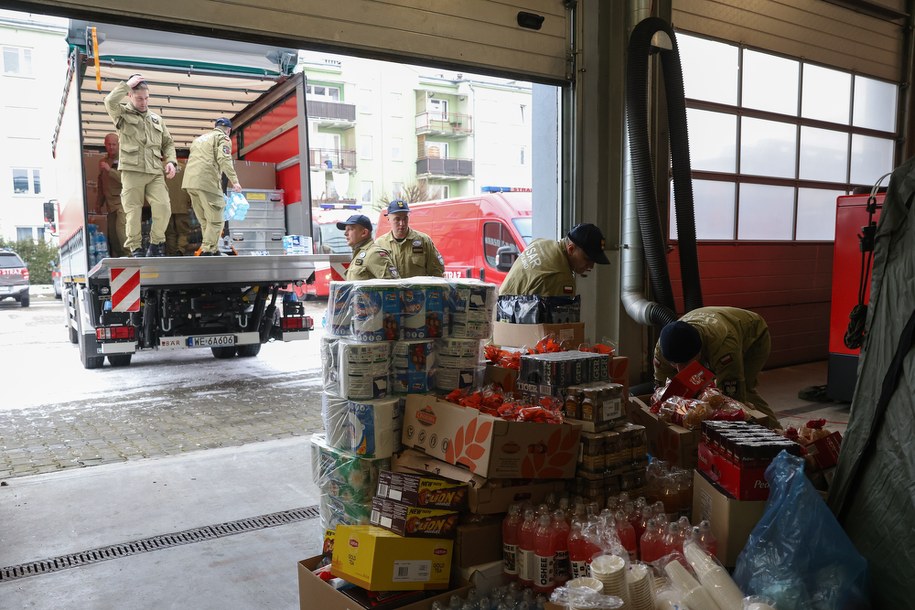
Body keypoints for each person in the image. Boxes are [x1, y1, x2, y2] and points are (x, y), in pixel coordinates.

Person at [653, 306, 779, 428]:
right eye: (674, 364)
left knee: (744, 392)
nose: (680, 370)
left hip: (754, 335)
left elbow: (734, 401)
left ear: (699, 353)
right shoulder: (661, 350)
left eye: (687, 364)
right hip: (717, 327)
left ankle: (779, 434)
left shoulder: (724, 349)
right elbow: (662, 393)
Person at [104, 73, 177, 257]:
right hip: (131, 170)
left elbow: (168, 143)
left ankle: (156, 244)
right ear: (130, 95)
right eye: (139, 98)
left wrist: (171, 162)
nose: (144, 102)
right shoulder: (121, 113)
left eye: (146, 98)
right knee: (132, 211)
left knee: (164, 206)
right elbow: (109, 101)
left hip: (154, 171)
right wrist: (126, 84)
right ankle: (135, 248)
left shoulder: (157, 119)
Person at [182, 118, 242, 256]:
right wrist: (235, 181)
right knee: (216, 219)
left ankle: (212, 249)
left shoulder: (199, 139)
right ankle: (208, 250)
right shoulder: (223, 138)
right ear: (228, 130)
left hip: (190, 182)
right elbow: (224, 159)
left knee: (205, 220)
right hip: (207, 181)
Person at [499, 223, 610, 296]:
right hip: (517, 328)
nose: (591, 266)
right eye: (587, 259)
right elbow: (557, 329)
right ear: (571, 249)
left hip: (500, 319)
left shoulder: (540, 243)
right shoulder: (561, 278)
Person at [374, 199, 445, 277]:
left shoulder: (424, 241)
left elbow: (437, 271)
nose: (402, 223)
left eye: (405, 218)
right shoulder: (379, 244)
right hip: (392, 289)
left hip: (418, 289)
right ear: (388, 218)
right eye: (397, 219)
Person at [338, 214, 398, 280]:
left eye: (350, 229)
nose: (345, 233)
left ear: (364, 233)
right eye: (346, 229)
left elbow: (393, 285)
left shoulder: (374, 254)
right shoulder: (360, 253)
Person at [97, 133, 127, 258]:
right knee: (113, 237)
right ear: (105, 145)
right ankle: (121, 260)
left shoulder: (124, 159)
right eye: (108, 144)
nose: (111, 147)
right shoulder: (103, 161)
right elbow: (101, 183)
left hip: (122, 202)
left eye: (114, 144)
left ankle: (130, 257)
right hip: (110, 205)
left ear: (118, 144)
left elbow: (126, 179)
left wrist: (110, 170)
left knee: (122, 233)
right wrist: (99, 203)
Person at [164, 161, 192, 255]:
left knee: (170, 232)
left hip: (166, 205)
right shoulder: (186, 168)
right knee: (183, 231)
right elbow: (189, 186)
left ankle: (172, 253)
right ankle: (180, 250)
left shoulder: (162, 167)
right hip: (182, 205)